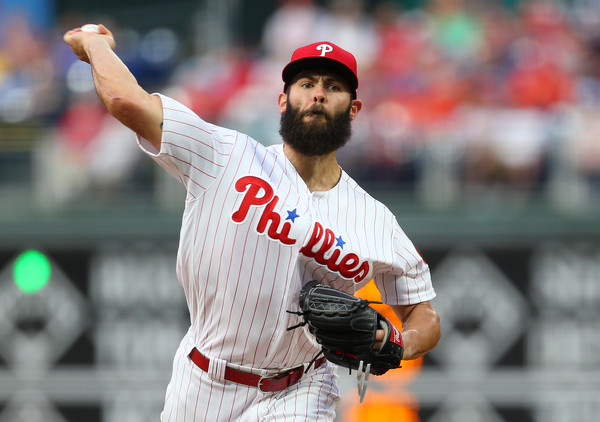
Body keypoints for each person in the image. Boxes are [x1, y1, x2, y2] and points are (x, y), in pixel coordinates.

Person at [63, 24, 441, 421]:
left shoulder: (375, 219)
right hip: (203, 381)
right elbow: (125, 100)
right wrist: (94, 44)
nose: (318, 93)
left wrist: (398, 340)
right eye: (306, 83)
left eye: (333, 87)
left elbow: (425, 314)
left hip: (302, 387)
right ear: (282, 100)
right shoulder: (226, 156)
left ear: (353, 108)